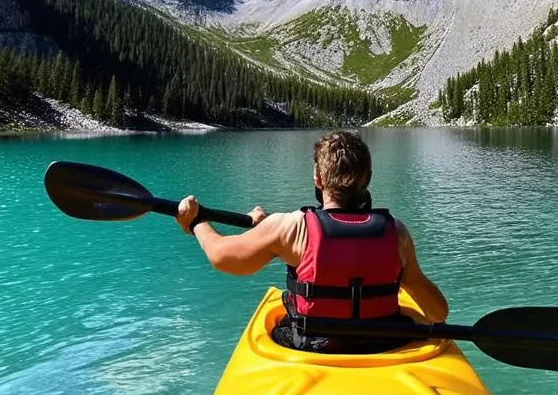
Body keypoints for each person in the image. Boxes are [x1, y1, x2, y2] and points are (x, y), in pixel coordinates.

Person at [175, 130, 448, 351]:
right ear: (367, 179)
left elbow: (223, 257)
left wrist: (197, 222)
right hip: (383, 344)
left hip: (313, 346)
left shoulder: (290, 227)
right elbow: (437, 312)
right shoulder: (396, 233)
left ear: (318, 179)